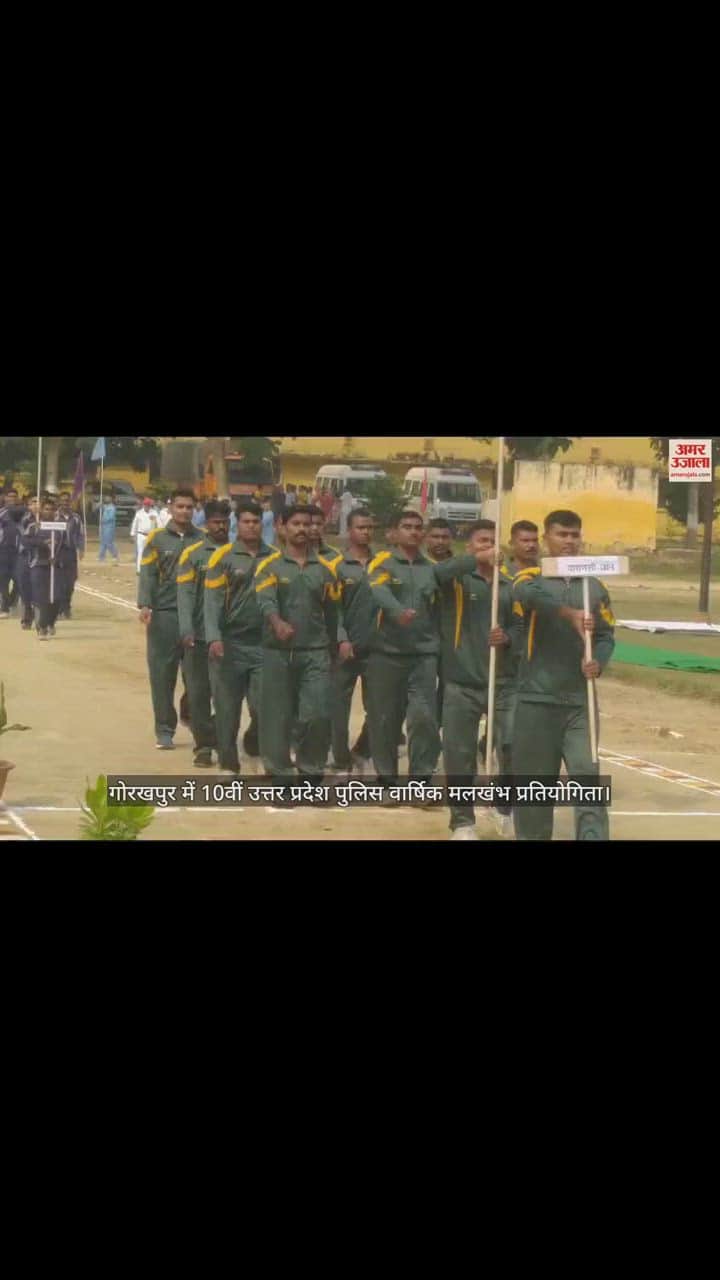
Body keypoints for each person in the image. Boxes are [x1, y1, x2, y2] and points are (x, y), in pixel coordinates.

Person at [512, 509, 616, 841]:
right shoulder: (529, 577)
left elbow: (605, 635)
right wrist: (569, 613)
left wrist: (597, 662)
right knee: (534, 790)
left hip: (579, 703)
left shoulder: (594, 587)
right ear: (546, 538)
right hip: (536, 699)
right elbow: (528, 598)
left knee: (588, 781)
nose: (568, 542)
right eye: (561, 535)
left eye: (574, 535)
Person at [366, 511, 486, 796]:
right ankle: (386, 782)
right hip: (386, 653)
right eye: (406, 527)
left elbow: (455, 568)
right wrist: (397, 612)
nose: (413, 532)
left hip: (423, 656)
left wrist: (480, 553)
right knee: (384, 719)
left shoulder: (431, 568)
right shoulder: (382, 562)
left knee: (423, 719)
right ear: (394, 532)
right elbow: (378, 591)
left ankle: (420, 781)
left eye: (418, 528)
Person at [439, 521, 521, 840]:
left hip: (503, 683)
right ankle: (462, 821)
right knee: (459, 754)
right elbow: (436, 574)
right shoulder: (456, 579)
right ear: (469, 547)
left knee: (513, 746)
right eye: (482, 542)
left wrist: (507, 637)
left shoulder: (510, 583)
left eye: (493, 542)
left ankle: (504, 809)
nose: (490, 547)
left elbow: (520, 625)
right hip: (462, 681)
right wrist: (477, 560)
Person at [254, 506, 339, 779]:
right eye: (296, 524)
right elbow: (265, 600)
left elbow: (334, 612)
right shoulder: (269, 567)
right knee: (276, 719)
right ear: (282, 526)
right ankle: (280, 777)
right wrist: (277, 623)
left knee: (317, 715)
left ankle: (311, 772)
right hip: (277, 653)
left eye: (307, 524)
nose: (302, 529)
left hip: (315, 653)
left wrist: (337, 645)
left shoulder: (326, 570)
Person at [205, 503, 276, 773]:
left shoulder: (274, 558)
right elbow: (210, 602)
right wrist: (213, 637)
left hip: (263, 645)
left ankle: (256, 741)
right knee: (227, 709)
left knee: (263, 706)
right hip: (230, 644)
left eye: (256, 521)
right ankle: (229, 764)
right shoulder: (222, 558)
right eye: (246, 521)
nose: (251, 526)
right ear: (238, 524)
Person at [137, 489, 200, 749]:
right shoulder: (157, 539)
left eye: (189, 507)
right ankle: (164, 730)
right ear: (171, 507)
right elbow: (148, 573)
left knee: (198, 678)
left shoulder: (203, 541)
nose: (184, 511)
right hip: (164, 615)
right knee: (162, 676)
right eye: (180, 506)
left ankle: (195, 720)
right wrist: (145, 604)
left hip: (196, 618)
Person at [176, 501, 229, 767]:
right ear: (206, 523)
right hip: (198, 637)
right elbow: (185, 596)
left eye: (225, 521)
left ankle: (221, 737)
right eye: (216, 521)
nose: (221, 526)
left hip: (230, 637)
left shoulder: (238, 553)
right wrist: (186, 629)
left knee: (226, 695)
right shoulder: (194, 555)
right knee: (198, 693)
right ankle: (204, 746)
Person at [330, 509, 375, 773]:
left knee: (380, 708)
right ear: (349, 530)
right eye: (360, 527)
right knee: (338, 708)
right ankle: (340, 759)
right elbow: (333, 609)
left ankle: (362, 750)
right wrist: (341, 639)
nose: (366, 532)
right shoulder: (336, 566)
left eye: (370, 527)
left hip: (377, 649)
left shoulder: (382, 564)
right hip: (345, 649)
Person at [21, 496, 68, 639]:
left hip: (56, 567)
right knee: (41, 598)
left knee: (57, 598)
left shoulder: (60, 527)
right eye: (46, 509)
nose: (49, 511)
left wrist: (58, 559)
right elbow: (25, 541)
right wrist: (43, 543)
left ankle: (50, 623)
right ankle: (41, 627)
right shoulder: (34, 526)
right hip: (38, 565)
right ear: (41, 510)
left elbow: (65, 547)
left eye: (52, 509)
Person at [56, 491, 85, 619]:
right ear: (59, 502)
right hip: (57, 553)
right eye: (62, 501)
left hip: (71, 553)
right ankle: (61, 608)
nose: (64, 503)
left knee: (70, 582)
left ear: (70, 502)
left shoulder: (76, 518)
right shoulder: (54, 517)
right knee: (59, 582)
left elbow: (80, 534)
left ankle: (67, 605)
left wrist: (81, 549)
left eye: (67, 501)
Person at [0, 488, 24, 617]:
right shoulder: (2, 513)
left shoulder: (24, 513)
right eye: (10, 496)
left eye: (15, 496)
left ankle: (12, 601)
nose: (12, 498)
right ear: (5, 498)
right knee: (2, 580)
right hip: (3, 551)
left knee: (19, 580)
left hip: (19, 552)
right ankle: (5, 607)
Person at [130, 497, 160, 574]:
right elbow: (134, 524)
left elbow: (159, 524)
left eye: (148, 505)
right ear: (143, 505)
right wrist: (132, 534)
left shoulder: (154, 513)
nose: (146, 506)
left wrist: (160, 532)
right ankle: (139, 570)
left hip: (151, 535)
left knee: (151, 552)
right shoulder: (139, 513)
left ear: (150, 505)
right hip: (141, 535)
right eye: (145, 505)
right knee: (140, 552)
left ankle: (150, 569)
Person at [98, 495, 119, 562]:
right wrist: (100, 505)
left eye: (108, 498)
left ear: (110, 500)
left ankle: (115, 555)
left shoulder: (112, 508)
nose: (106, 499)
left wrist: (104, 520)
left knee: (109, 542)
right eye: (106, 498)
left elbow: (111, 517)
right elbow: (98, 507)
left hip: (109, 527)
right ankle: (101, 556)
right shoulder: (105, 506)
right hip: (104, 526)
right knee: (103, 542)